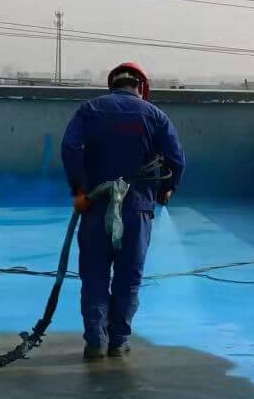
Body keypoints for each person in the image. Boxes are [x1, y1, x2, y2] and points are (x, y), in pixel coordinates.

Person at [60, 61, 186, 359]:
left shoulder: (90, 109)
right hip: (137, 209)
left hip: (95, 205)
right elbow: (176, 160)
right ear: (140, 86)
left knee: (94, 276)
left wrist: (80, 189)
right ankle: (118, 341)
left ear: (112, 85)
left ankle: (95, 342)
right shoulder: (155, 115)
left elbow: (69, 148)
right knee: (129, 277)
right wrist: (167, 188)